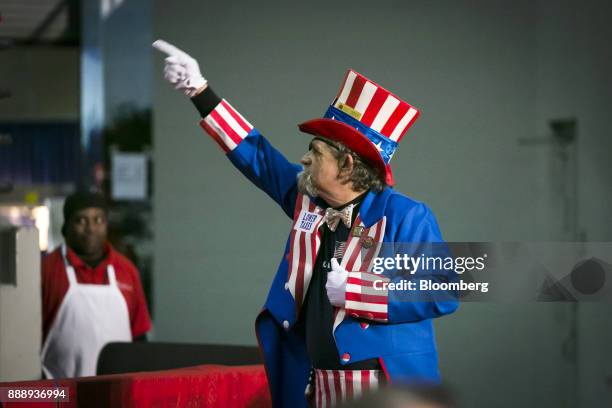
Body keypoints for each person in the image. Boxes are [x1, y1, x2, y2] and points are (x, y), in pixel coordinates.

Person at [154, 39, 459, 408]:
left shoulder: (406, 215)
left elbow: (443, 290)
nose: (304, 159)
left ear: (346, 164)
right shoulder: (307, 200)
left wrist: (362, 294)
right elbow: (258, 156)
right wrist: (200, 91)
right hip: (316, 384)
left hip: (384, 388)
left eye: (315, 152)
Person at [41, 192, 152, 379]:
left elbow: (139, 338)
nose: (90, 228)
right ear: (66, 227)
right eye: (81, 221)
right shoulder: (47, 270)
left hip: (116, 394)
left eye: (98, 220)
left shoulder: (127, 271)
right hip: (59, 395)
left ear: (106, 225)